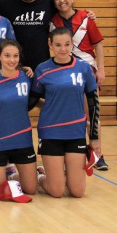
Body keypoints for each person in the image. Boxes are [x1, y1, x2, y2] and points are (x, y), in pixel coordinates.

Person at [30, 27, 99, 198]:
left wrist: (94, 137)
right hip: (50, 132)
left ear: (72, 44)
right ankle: (41, 175)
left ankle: (61, 176)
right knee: (57, 191)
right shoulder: (42, 69)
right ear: (50, 45)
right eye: (58, 45)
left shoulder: (84, 68)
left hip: (76, 132)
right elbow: (32, 100)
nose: (63, 49)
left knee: (77, 191)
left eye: (67, 44)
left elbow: (93, 103)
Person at [50, 0, 108, 170]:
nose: (62, 1)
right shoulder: (52, 21)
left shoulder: (86, 18)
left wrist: (101, 69)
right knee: (73, 114)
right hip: (64, 74)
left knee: (92, 113)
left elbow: (98, 44)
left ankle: (97, 153)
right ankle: (76, 151)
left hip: (88, 71)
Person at [0, 39, 37, 197]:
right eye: (7, 55)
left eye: (15, 56)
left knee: (30, 189)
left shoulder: (27, 77)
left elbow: (36, 100)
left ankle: (10, 172)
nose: (12, 60)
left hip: (23, 140)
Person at [0, 0, 54, 71]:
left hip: (42, 64)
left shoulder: (47, 3)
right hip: (14, 64)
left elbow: (65, 12)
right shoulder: (5, 4)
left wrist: (83, 15)